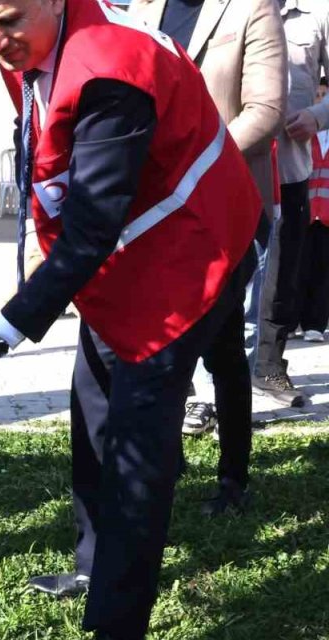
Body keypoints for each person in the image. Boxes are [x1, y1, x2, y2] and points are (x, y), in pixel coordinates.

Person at [0, 0, 261, 638]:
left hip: (190, 255)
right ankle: (94, 566)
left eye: (7, 21)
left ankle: (117, 623)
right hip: (130, 250)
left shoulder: (110, 70)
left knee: (136, 449)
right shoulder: (43, 43)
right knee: (93, 402)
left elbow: (92, 230)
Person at [126, 0, 287, 516]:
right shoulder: (144, 8)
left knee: (220, 345)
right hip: (154, 208)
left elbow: (265, 109)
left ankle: (233, 478)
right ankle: (165, 462)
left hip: (226, 203)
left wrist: (194, 169)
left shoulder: (251, 8)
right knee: (160, 338)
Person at [252, 0, 329, 407]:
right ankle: (202, 369)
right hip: (230, 165)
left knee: (282, 271)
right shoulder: (226, 8)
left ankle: (268, 367)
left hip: (288, 169)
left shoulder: (318, 13)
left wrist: (318, 115)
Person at [297, 77, 329, 341]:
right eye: (316, 95)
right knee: (299, 269)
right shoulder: (303, 135)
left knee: (323, 272)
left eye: (324, 95)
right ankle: (293, 321)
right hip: (305, 213)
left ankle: (315, 324)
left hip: (327, 216)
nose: (319, 99)